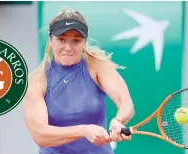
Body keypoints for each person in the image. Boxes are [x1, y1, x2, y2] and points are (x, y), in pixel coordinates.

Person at [24, 7, 135, 154]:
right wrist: (83, 130)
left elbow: (125, 102)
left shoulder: (97, 66)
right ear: (51, 40)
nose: (68, 47)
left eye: (76, 41)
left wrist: (118, 120)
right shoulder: (36, 80)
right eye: (61, 39)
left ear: (84, 43)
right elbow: (40, 135)